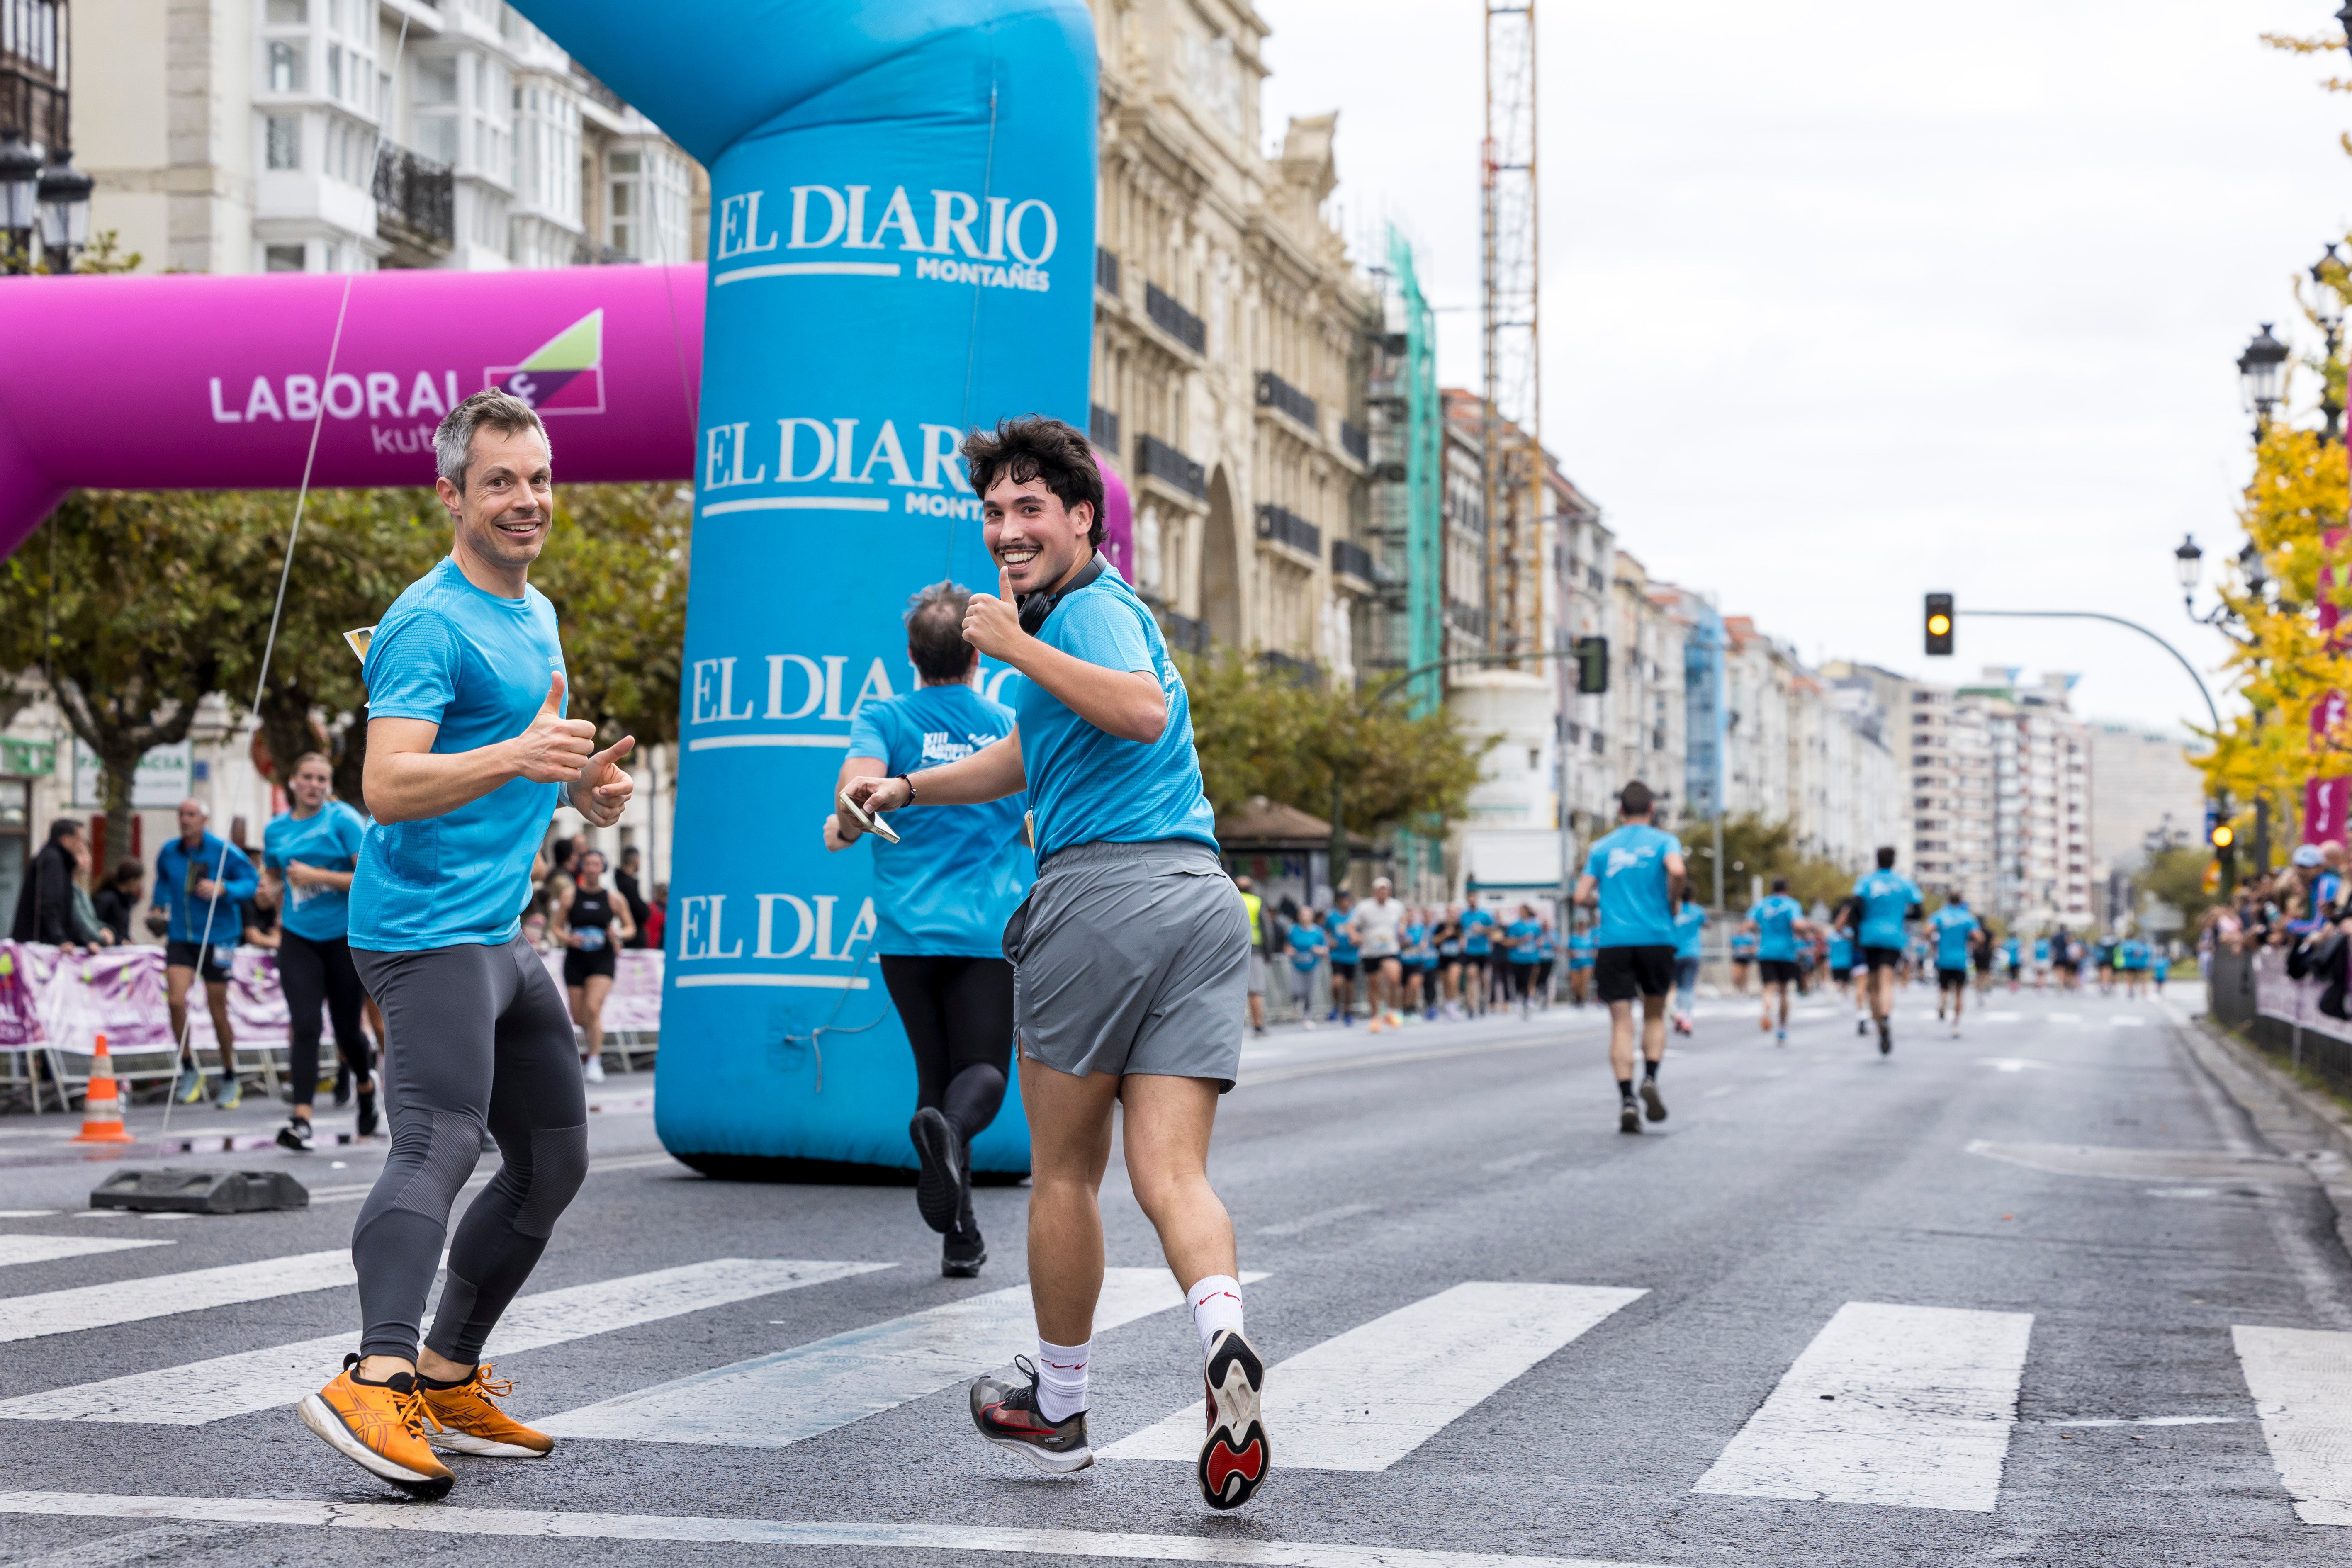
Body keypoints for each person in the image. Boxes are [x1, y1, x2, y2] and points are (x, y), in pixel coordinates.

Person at [842, 417, 1265, 1507]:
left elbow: (1140, 710)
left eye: (1029, 508)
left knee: (1067, 1171)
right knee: (1172, 1174)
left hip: (1104, 895)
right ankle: (1224, 1336)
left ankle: (1061, 1406)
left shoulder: (1085, 612)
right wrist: (908, 787)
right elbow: (1024, 758)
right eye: (993, 512)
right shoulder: (1078, 624)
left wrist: (1016, 645)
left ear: (1084, 517)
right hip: (1199, 897)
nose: (1006, 530)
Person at [298, 389, 635, 1500]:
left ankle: (445, 1373)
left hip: (496, 931)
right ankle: (373, 1376)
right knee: (438, 1141)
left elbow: (522, 761)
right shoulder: (427, 622)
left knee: (554, 1159)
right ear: (450, 495)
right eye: (500, 482)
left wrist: (583, 790)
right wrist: (520, 757)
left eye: (538, 478)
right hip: (421, 929)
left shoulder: (535, 612)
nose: (525, 499)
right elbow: (388, 784)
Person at [828, 579, 1031, 1278]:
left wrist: (842, 826)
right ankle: (950, 1134)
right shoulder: (1007, 725)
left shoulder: (884, 717)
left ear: (911, 655)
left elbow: (854, 797)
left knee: (934, 1076)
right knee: (983, 1072)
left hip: (907, 934)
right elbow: (1034, 819)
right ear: (977, 655)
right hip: (986, 932)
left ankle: (961, 1236)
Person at [263, 750, 377, 1151]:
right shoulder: (276, 829)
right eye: (307, 777)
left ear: (328, 786)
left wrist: (318, 876)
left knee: (347, 1030)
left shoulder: (342, 820)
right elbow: (274, 877)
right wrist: (268, 891)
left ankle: (365, 1084)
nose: (314, 785)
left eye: (321, 779)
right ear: (293, 781)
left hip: (343, 937)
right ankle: (301, 1120)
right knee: (306, 1024)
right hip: (298, 938)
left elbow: (368, 877)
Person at [1572, 781, 1685, 1134]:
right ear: (1652, 808)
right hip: (1656, 937)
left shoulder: (1602, 847)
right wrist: (1673, 900)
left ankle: (1627, 1100)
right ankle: (1649, 1077)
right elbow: (1677, 871)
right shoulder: (1664, 841)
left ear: (1620, 810)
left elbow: (1579, 896)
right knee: (1654, 1015)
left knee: (1621, 1023)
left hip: (1614, 941)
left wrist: (1602, 902)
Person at [153, 798, 257, 1108]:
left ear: (205, 819)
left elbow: (251, 881)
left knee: (217, 1009)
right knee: (175, 1001)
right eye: (181, 814)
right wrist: (157, 908)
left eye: (192, 814)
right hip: (181, 936)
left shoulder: (224, 851)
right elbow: (162, 881)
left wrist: (224, 888)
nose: (185, 819)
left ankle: (230, 1074)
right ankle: (189, 1070)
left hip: (219, 937)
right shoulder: (169, 851)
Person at [551, 848, 635, 1085]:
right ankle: (592, 1043)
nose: (591, 868)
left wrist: (618, 934)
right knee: (579, 1016)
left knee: (593, 1007)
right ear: (582, 867)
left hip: (602, 958)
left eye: (596, 864)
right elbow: (556, 927)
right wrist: (568, 938)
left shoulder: (614, 898)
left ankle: (595, 1061)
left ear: (603, 868)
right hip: (576, 959)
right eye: (588, 864)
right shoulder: (570, 895)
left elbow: (631, 928)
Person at [1852, 846, 1922, 1056]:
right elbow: (1919, 911)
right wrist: (1899, 916)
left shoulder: (1865, 882)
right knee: (1887, 981)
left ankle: (1878, 1022)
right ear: (1894, 861)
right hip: (1893, 936)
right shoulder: (1904, 883)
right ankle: (1885, 1016)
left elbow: (1855, 909)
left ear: (1877, 860)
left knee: (1872, 985)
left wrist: (1860, 930)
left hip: (1870, 936)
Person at [1744, 877, 1811, 1046]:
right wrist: (1809, 928)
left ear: (1772, 888)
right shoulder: (1791, 904)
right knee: (1784, 992)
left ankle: (1767, 1009)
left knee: (1768, 988)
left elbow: (1749, 924)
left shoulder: (1762, 904)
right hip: (1786, 953)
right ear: (1786, 889)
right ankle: (1782, 1030)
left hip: (1765, 951)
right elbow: (1797, 924)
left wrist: (1762, 929)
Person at [10, 818, 84, 947]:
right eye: (79, 840)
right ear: (66, 840)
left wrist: (82, 942)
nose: (81, 845)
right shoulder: (53, 861)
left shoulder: (57, 859)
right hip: (41, 945)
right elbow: (49, 904)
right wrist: (60, 940)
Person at [1352, 875, 1408, 1031]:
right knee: (1374, 984)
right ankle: (1376, 1017)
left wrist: (1402, 927)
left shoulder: (1396, 906)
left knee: (1394, 977)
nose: (1382, 893)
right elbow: (1352, 925)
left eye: (1385, 890)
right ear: (1374, 891)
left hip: (1389, 949)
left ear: (1389, 892)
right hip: (1370, 950)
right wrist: (1355, 936)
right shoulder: (1364, 907)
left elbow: (1404, 918)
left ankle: (1391, 1011)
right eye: (1379, 890)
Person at [1928, 892, 1978, 1037]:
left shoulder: (1940, 915)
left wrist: (1933, 943)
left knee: (1943, 988)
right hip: (1960, 960)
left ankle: (1943, 1000)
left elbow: (1927, 930)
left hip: (1943, 959)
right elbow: (1979, 937)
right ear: (1961, 902)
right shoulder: (1967, 917)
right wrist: (1970, 942)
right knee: (1959, 993)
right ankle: (1956, 1024)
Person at [1235, 874, 1267, 1036]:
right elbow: (1267, 929)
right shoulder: (1256, 902)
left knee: (1233, 992)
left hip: (1232, 951)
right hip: (1254, 951)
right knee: (1255, 991)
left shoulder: (1230, 900)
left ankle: (1233, 1029)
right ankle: (1258, 1026)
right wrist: (1268, 954)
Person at [1670, 896, 1706, 1035]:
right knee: (1689, 987)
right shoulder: (1697, 911)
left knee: (1679, 986)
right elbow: (1707, 923)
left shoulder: (1674, 910)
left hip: (1675, 953)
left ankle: (1680, 1012)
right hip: (1692, 953)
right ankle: (1687, 1019)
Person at [1286, 907, 1327, 1027]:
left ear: (1312, 917)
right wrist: (1290, 951)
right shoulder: (1293, 930)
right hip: (1297, 965)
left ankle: (1307, 1016)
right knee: (1297, 990)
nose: (1305, 918)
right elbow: (1287, 946)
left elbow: (1325, 949)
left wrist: (1319, 950)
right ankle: (1295, 1005)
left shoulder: (1318, 932)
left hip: (1313, 965)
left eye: (1308, 915)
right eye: (1303, 915)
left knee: (1309, 992)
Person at [1324, 889, 1360, 1025]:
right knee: (1337, 983)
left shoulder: (1356, 916)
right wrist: (1329, 941)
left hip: (1352, 955)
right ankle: (1336, 1006)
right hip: (1337, 955)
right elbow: (1325, 932)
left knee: (1350, 986)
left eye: (1348, 900)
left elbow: (1362, 932)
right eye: (1343, 900)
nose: (1346, 903)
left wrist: (1357, 939)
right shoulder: (1332, 916)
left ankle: (1348, 1011)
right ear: (1339, 902)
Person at [91, 857, 144, 946]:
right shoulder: (106, 899)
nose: (140, 885)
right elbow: (97, 925)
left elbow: (122, 930)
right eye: (139, 881)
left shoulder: (127, 901)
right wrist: (119, 941)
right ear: (132, 880)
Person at [1503, 902, 1543, 1018]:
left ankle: (1528, 1001)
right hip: (1517, 958)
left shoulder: (1536, 925)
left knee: (1529, 980)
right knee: (1519, 981)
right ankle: (1520, 999)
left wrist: (1539, 943)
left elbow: (1539, 939)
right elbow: (1510, 941)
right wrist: (1522, 940)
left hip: (1531, 958)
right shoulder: (1515, 926)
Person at [1460, 892, 1496, 1016]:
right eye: (1470, 900)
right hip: (1470, 951)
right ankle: (1471, 1004)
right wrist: (1462, 939)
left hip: (1483, 950)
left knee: (1482, 978)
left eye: (1474, 900)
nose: (1472, 902)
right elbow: (1461, 931)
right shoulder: (1464, 916)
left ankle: (1482, 999)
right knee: (1471, 976)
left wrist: (1482, 930)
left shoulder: (1485, 915)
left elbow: (1494, 929)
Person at [614, 845, 652, 950]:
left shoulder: (625, 881)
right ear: (636, 860)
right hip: (629, 940)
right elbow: (641, 912)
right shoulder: (626, 885)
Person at [1433, 904, 1467, 1017]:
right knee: (1446, 983)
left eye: (1454, 912)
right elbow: (1435, 941)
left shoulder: (1460, 926)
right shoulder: (1441, 926)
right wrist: (1445, 935)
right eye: (1450, 912)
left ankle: (1455, 1004)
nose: (1452, 914)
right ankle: (1449, 1006)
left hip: (1457, 957)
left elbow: (1465, 940)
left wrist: (1463, 942)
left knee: (1453, 980)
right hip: (1444, 958)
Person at [1567, 915, 1597, 1007]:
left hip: (1587, 963)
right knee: (1575, 984)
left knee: (1584, 982)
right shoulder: (1573, 938)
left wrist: (1594, 953)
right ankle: (1578, 997)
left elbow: (1596, 950)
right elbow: (1568, 950)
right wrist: (1572, 954)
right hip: (1575, 964)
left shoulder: (1590, 937)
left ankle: (1582, 1000)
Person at [1727, 920, 1756, 996]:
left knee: (1745, 976)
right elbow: (1732, 948)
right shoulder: (1734, 937)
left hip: (1746, 959)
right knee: (1736, 976)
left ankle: (1745, 991)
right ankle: (1738, 990)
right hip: (1737, 958)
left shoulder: (1749, 937)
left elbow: (1754, 949)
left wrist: (1746, 949)